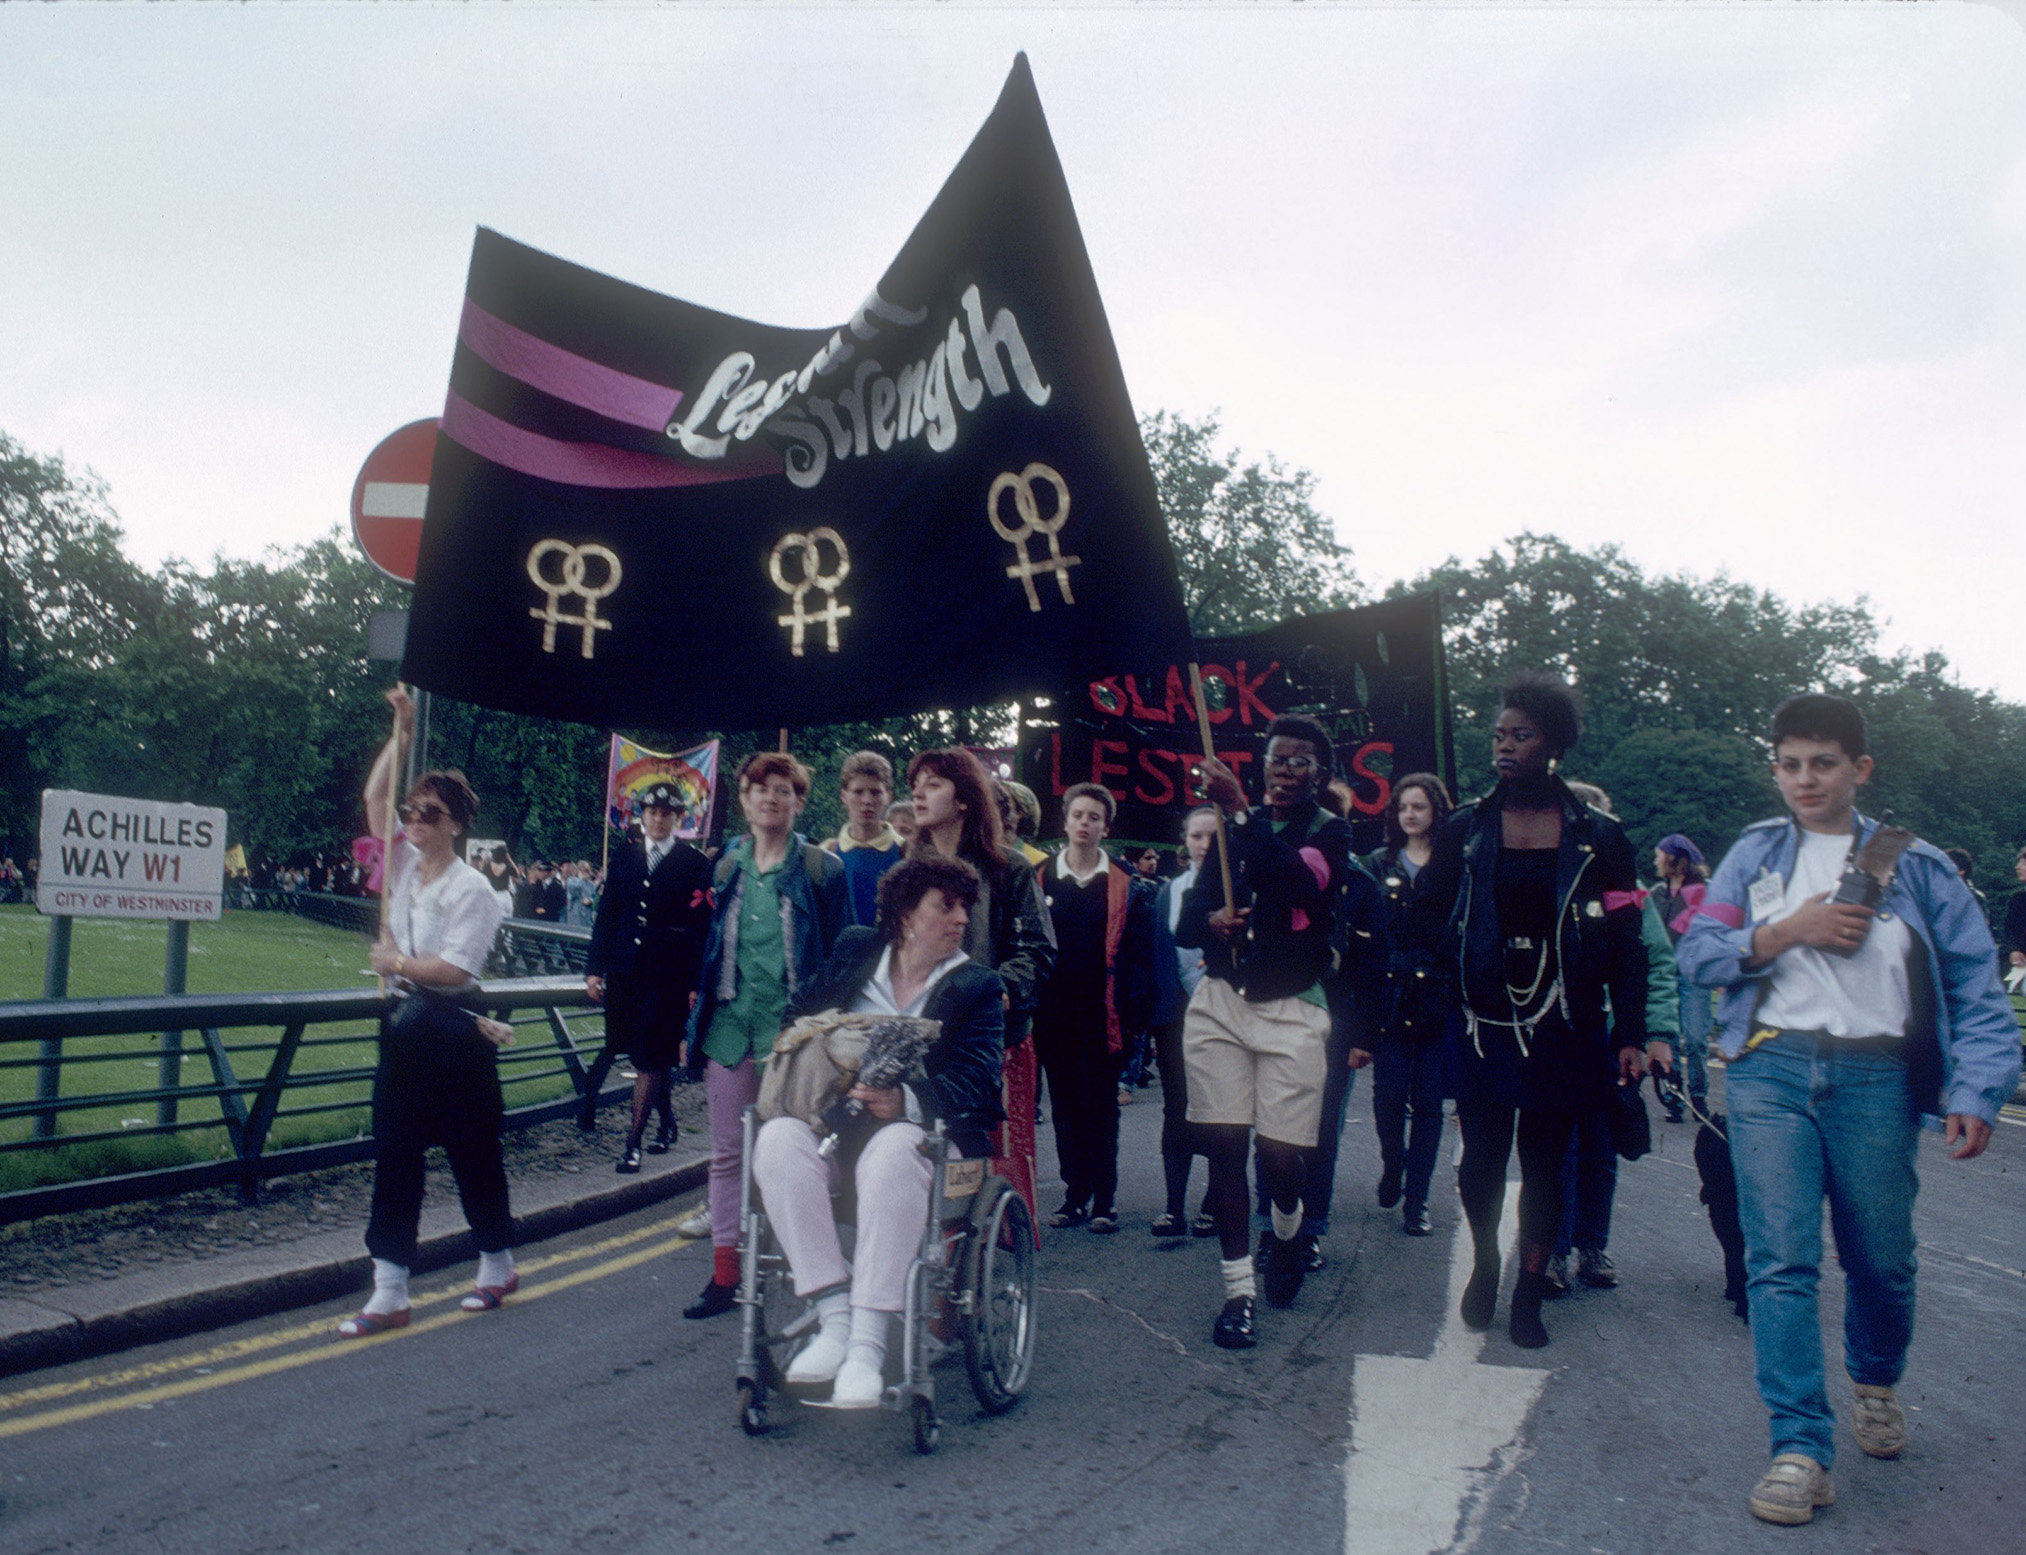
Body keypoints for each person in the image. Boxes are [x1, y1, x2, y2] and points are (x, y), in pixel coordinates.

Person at [1677, 693, 2019, 1526]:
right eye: (1789, 762)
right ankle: (1799, 1445)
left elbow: (1978, 989)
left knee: (1881, 1259)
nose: (1804, 778)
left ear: (1858, 769)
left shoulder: (1920, 865)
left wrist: (1976, 1089)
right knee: (1780, 1261)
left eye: (1823, 762)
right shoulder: (1752, 858)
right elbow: (1699, 954)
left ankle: (1875, 1376)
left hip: (1875, 1079)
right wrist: (1785, 929)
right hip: (1769, 1071)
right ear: (1775, 767)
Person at [1410, 672, 1654, 1350]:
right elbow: (1424, 912)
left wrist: (1630, 1031)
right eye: (1498, 734)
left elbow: (1629, 941)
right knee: (1480, 1159)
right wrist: (1448, 978)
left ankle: (1529, 1288)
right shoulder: (1465, 827)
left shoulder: (1600, 836)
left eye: (1521, 734)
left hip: (1566, 1023)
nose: (1505, 746)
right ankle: (1488, 1260)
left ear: (1554, 743)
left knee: (1548, 1161)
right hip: (1483, 1025)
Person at [749, 855, 1006, 1406]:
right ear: (907, 915)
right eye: (948, 905)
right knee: (776, 1141)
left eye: (966, 906)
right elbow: (798, 1015)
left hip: (930, 1140)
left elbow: (981, 1079)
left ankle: (865, 1347)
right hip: (836, 1128)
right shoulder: (855, 950)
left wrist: (907, 1099)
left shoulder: (978, 986)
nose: (962, 917)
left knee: (893, 1148)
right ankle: (835, 1315)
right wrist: (832, 1051)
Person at [1179, 716, 1364, 1349]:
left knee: (1281, 1157)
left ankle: (1286, 1230)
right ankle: (1238, 1293)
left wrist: (1238, 814)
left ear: (1320, 775)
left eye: (1299, 762)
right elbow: (1185, 921)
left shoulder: (1330, 832)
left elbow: (1302, 886)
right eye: (1275, 759)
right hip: (1222, 1003)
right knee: (1226, 1145)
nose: (1283, 771)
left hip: (1294, 1009)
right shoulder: (1231, 833)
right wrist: (1215, 919)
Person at [342, 688, 516, 1337]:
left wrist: (398, 964)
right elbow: (373, 797)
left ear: (455, 823)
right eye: (412, 810)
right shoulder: (406, 867)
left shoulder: (474, 889)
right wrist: (403, 732)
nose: (413, 819)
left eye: (429, 812)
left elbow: (455, 970)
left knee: (472, 1150)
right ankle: (390, 1287)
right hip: (404, 1028)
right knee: (396, 1150)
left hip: (453, 1025)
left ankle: (496, 1262)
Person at [681, 751, 852, 1319]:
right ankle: (725, 1274)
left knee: (806, 1151)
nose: (770, 799)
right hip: (731, 1027)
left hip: (796, 1034)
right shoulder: (727, 865)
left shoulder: (823, 869)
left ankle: (814, 1263)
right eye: (760, 790)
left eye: (783, 790)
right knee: (729, 1154)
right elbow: (709, 951)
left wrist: (828, 1026)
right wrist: (696, 1019)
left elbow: (843, 955)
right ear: (746, 800)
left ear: (799, 801)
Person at [1543, 780, 1680, 1298]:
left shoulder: (1632, 893)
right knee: (1556, 1150)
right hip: (1552, 1036)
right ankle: (1552, 1251)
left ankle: (1591, 1247)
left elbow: (1658, 965)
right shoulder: (1543, 880)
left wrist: (1657, 1034)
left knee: (1600, 1148)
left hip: (1607, 1039)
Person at [908, 748, 1055, 1220]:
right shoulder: (909, 870)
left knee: (998, 1157)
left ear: (965, 798)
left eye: (932, 783)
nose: (918, 791)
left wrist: (1001, 991)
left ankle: (999, 1264)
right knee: (927, 1152)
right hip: (924, 1036)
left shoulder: (1008, 866)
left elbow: (1037, 947)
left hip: (997, 1037)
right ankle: (939, 1250)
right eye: (915, 783)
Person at [1032, 783, 1153, 1234]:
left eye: (1094, 817)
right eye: (1078, 815)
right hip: (1054, 1013)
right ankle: (1073, 1195)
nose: (1085, 823)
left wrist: (1137, 1018)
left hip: (1104, 1014)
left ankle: (1105, 1199)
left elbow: (1138, 958)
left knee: (1100, 1106)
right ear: (1064, 821)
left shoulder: (1126, 882)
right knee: (1064, 1105)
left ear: (1106, 826)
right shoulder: (1040, 877)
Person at [582, 783, 712, 1172]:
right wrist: (594, 969)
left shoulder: (693, 862)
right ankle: (667, 1122)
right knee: (639, 1050)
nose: (658, 819)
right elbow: (606, 916)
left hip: (667, 973)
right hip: (625, 970)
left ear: (677, 819)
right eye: (652, 812)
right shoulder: (625, 856)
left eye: (666, 813)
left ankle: (632, 1142)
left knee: (651, 1057)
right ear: (642, 816)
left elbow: (700, 927)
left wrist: (694, 983)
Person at [1366, 772, 1457, 1237]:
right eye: (1403, 807)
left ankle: (1417, 1199)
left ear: (1435, 810)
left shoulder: (1453, 864)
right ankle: (1392, 1166)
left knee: (1427, 1105)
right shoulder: (1377, 864)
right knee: (1387, 1099)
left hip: (1438, 998)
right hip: (1388, 996)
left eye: (1419, 807)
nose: (1410, 815)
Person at [1149, 805, 1217, 1238]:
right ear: (1185, 841)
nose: (1204, 844)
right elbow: (1158, 954)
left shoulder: (1239, 888)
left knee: (1219, 1111)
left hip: (1226, 1015)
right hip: (1176, 1017)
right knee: (1177, 1109)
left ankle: (1214, 1203)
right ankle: (1174, 1207)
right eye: (1196, 836)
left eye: (1213, 836)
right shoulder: (1167, 892)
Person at [1649, 833, 1714, 1121]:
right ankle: (1673, 1095)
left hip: (1693, 973)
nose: (1656, 860)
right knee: (1669, 1039)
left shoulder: (1705, 891)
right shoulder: (1656, 893)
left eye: (1660, 855)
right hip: (1664, 974)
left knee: (1697, 1039)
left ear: (1675, 859)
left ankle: (1698, 1096)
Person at [822, 750, 906, 927]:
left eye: (875, 792)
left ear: (888, 796)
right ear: (844, 796)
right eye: (858, 792)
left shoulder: (905, 851)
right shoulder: (826, 853)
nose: (867, 800)